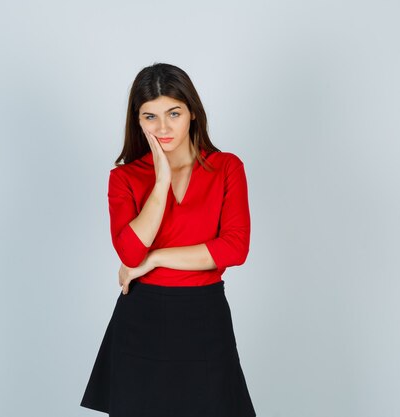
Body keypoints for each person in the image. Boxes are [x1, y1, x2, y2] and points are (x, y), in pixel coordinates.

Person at [80, 63, 256, 417]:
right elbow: (130, 253)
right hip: (142, 318)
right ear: (138, 121)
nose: (162, 127)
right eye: (150, 117)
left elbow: (235, 248)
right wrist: (161, 181)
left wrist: (156, 258)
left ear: (192, 112)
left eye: (173, 113)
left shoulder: (226, 168)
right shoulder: (125, 178)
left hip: (204, 317)